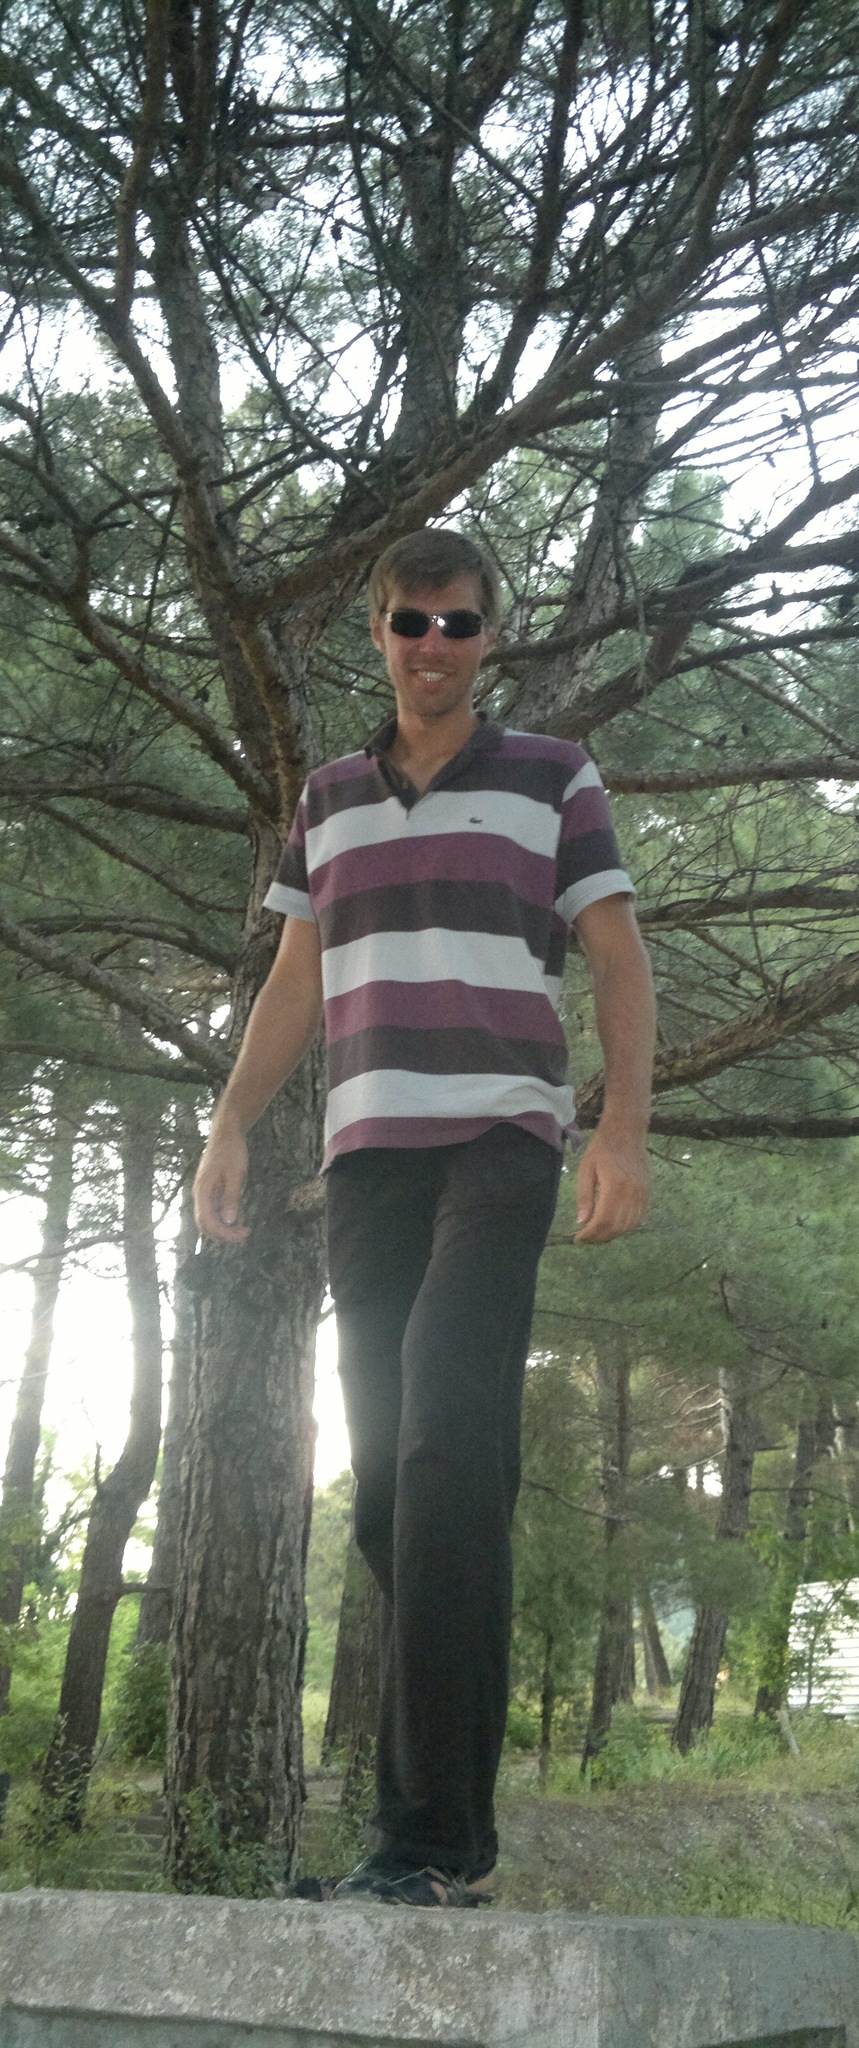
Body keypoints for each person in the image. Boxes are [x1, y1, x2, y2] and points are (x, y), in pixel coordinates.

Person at [194, 527, 655, 1908]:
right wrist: (230, 1121)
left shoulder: (554, 774)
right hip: (369, 1160)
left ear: (490, 635)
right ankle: (437, 1836)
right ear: (380, 633)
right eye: (411, 622)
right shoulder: (329, 796)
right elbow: (297, 974)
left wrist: (621, 1131)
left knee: (452, 1449)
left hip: (501, 1146)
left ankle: (429, 1841)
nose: (433, 646)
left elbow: (619, 959)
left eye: (458, 623)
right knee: (397, 1495)